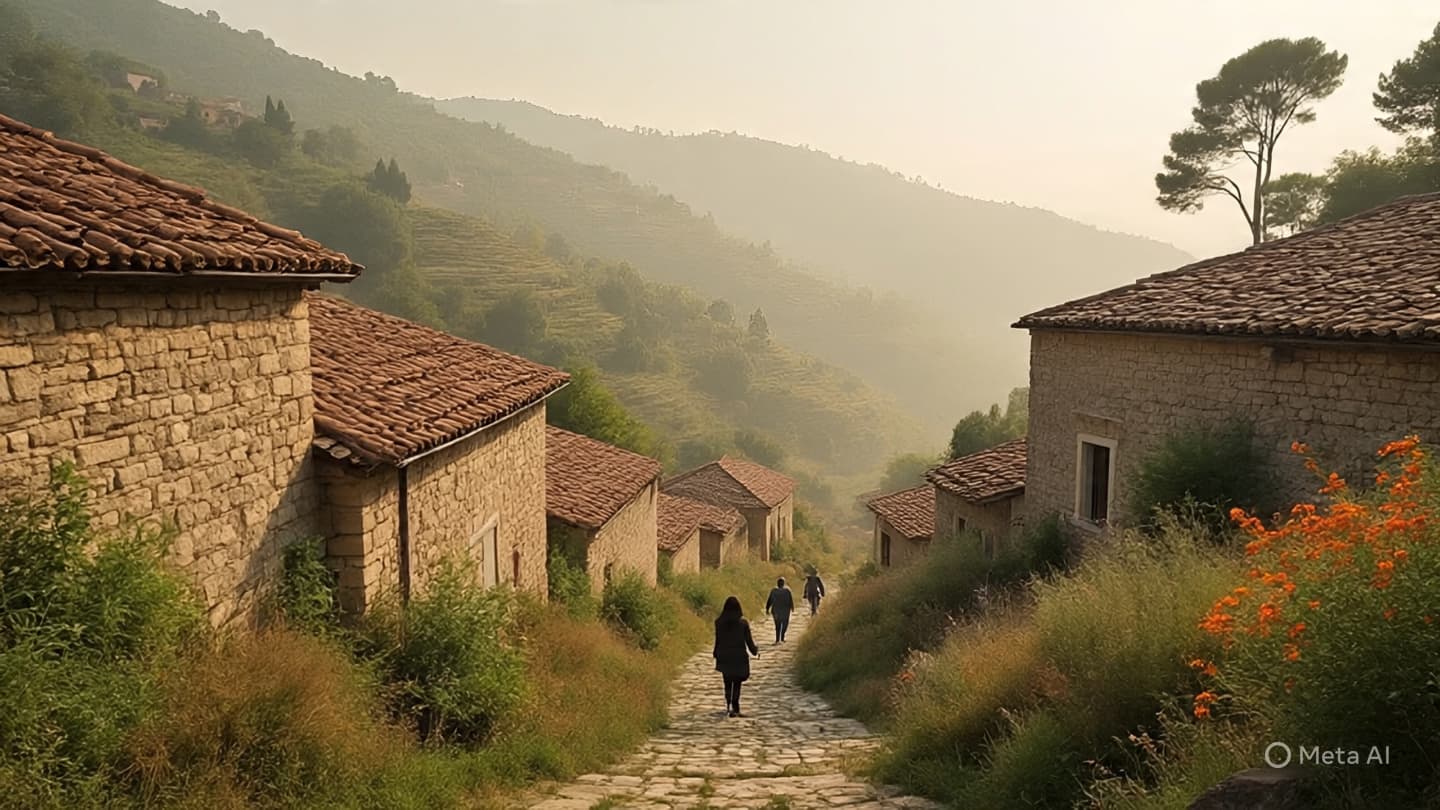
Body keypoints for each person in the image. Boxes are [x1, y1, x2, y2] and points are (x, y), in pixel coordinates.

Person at [713, 595, 759, 717]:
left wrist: (715, 652)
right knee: (737, 681)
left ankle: (728, 704)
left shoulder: (719, 623)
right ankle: (736, 706)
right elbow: (749, 641)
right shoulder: (743, 623)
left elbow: (718, 640)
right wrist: (755, 651)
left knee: (727, 681)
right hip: (739, 656)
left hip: (724, 655)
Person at [765, 577, 795, 643]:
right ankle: (779, 639)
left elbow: (769, 600)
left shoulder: (785, 591)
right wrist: (792, 607)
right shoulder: (776, 591)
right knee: (781, 624)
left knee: (780, 625)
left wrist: (767, 608)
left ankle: (780, 638)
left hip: (779, 611)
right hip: (782, 611)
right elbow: (770, 600)